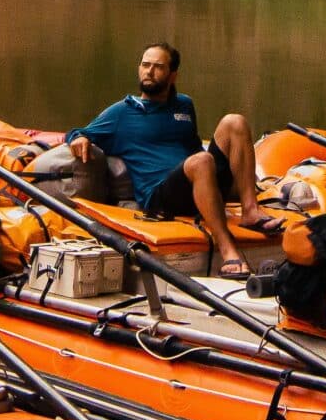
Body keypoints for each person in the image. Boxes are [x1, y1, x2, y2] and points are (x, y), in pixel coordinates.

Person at [70, 42, 279, 277]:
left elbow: (190, 145)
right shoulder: (121, 112)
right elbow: (79, 132)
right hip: (161, 195)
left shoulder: (184, 105)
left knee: (235, 121)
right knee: (201, 161)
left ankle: (250, 211)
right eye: (145, 65)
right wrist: (79, 138)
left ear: (173, 74)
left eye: (158, 67)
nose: (149, 71)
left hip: (198, 179)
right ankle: (228, 249)